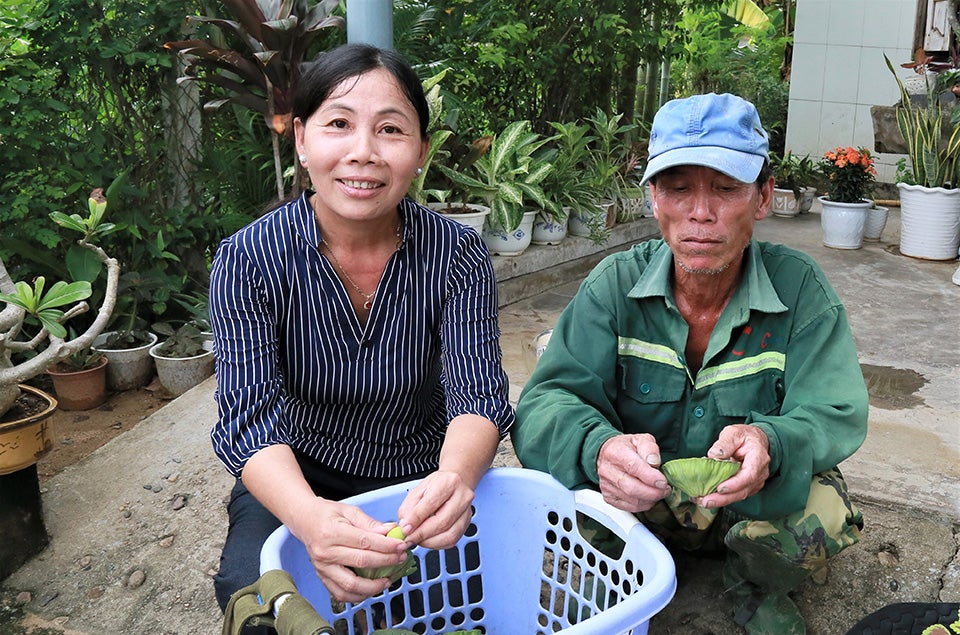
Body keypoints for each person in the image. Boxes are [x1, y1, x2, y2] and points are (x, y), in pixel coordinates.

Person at [511, 93, 867, 635]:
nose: (701, 212)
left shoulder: (801, 290)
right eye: (679, 188)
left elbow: (835, 409)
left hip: (750, 501)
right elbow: (544, 403)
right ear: (654, 198)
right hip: (644, 500)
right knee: (579, 499)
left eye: (726, 189)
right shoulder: (613, 285)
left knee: (823, 516)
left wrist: (772, 441)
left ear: (764, 197)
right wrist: (599, 449)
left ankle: (752, 582)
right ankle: (632, 575)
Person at [208, 43, 515, 629]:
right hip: (300, 474)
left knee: (449, 603)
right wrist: (311, 519)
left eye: (391, 130)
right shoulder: (248, 260)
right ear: (302, 140)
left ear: (420, 152)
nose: (363, 153)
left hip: (421, 481)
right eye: (339, 124)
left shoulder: (460, 256)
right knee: (260, 601)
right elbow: (249, 422)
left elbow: (477, 396)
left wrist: (455, 480)